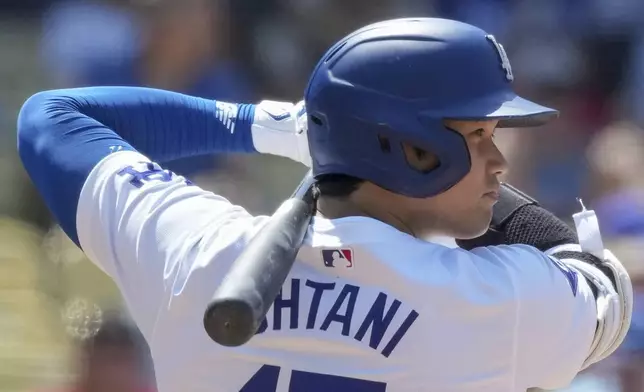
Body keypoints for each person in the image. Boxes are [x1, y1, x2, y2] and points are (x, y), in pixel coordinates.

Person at [17, 17, 631, 392]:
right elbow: (604, 286)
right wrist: (493, 206)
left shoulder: (200, 248)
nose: (498, 162)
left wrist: (277, 128)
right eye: (477, 137)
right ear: (412, 150)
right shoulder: (497, 298)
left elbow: (54, 118)